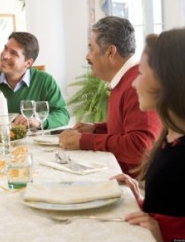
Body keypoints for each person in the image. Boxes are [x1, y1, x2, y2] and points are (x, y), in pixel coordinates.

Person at [58, 16, 161, 177]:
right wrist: (96, 129)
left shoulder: (136, 84)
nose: (87, 56)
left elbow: (140, 146)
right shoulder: (124, 80)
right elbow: (126, 127)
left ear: (110, 52)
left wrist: (83, 141)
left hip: (136, 187)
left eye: (91, 48)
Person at [113, 29, 185, 242]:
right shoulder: (169, 140)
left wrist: (163, 238)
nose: (135, 83)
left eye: (140, 73)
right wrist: (140, 201)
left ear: (167, 81)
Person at [0, 32, 70, 130]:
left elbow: (63, 114)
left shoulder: (46, 81)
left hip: (34, 141)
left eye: (13, 53)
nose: (4, 56)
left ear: (28, 63)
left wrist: (38, 121)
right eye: (5, 48)